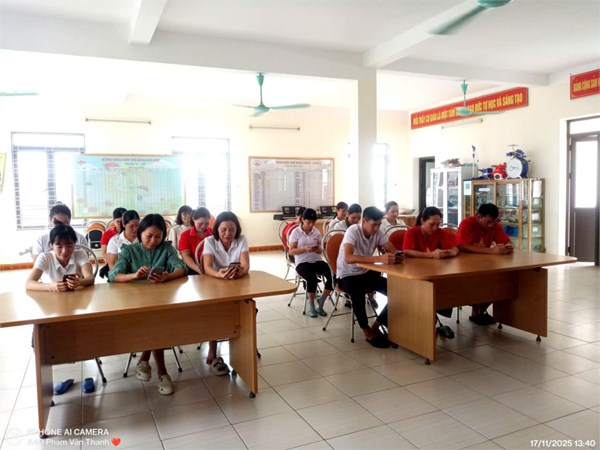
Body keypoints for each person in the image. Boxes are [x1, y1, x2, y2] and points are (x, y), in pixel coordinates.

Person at [108, 213, 187, 395]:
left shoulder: (166, 249)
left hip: (160, 303)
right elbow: (113, 276)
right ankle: (162, 372)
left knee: (156, 321)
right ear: (140, 233)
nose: (153, 241)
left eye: (158, 236)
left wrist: (167, 276)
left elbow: (181, 268)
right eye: (149, 236)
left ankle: (144, 359)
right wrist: (134, 275)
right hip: (134, 305)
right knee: (155, 323)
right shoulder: (129, 251)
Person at [336, 206, 404, 348]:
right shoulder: (353, 231)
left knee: (398, 293)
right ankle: (366, 330)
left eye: (379, 224)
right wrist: (378, 258)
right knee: (358, 292)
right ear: (364, 222)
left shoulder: (377, 232)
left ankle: (376, 325)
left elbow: (392, 248)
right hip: (347, 275)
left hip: (365, 272)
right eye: (374, 225)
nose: (377, 228)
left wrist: (397, 255)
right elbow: (348, 258)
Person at [202, 211, 250, 376]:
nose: (228, 233)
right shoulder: (209, 241)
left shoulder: (241, 239)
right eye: (223, 230)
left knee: (247, 309)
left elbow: (245, 265)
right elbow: (207, 267)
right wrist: (219, 274)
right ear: (217, 229)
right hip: (215, 284)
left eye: (232, 229)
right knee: (214, 312)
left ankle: (241, 348)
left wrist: (240, 272)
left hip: (237, 283)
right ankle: (212, 347)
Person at [402, 206, 459, 337]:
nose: (435, 228)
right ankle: (426, 321)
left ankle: (432, 317)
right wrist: (431, 255)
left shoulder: (439, 232)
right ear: (422, 221)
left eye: (438, 224)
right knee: (429, 290)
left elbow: (455, 247)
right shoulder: (412, 232)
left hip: (434, 271)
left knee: (450, 284)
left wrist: (452, 252)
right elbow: (407, 251)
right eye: (432, 224)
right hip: (415, 273)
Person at [456, 203, 513, 326]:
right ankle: (477, 311)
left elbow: (506, 241)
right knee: (479, 283)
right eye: (488, 222)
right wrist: (491, 251)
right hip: (465, 264)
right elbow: (463, 246)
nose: (491, 225)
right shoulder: (467, 223)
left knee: (501, 282)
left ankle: (479, 312)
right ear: (479, 217)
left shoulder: (494, 225)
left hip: (485, 263)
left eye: (494, 222)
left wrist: (507, 247)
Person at [288, 208, 333, 317]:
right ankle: (311, 305)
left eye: (313, 222)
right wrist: (304, 249)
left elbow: (321, 249)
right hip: (302, 262)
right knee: (311, 278)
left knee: (333, 275)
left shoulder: (316, 231)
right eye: (309, 222)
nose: (311, 225)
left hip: (316, 260)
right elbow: (291, 251)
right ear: (303, 219)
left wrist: (319, 249)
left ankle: (321, 301)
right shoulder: (296, 232)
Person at [26, 222, 95, 291]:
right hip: (51, 296)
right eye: (59, 247)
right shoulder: (44, 257)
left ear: (74, 244)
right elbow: (29, 283)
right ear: (52, 245)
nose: (64, 251)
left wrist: (80, 282)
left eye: (69, 246)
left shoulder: (80, 254)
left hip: (77, 295)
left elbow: (90, 278)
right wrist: (50, 287)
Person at [179, 207, 212, 275]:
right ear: (194, 219)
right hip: (194, 267)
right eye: (200, 223)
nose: (203, 226)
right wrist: (198, 269)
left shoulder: (212, 233)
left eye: (206, 223)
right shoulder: (185, 235)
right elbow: (186, 256)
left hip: (211, 265)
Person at [99, 207, 127, 278]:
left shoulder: (133, 233)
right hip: (113, 264)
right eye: (118, 222)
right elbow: (104, 252)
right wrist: (113, 262)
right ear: (113, 221)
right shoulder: (107, 234)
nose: (120, 224)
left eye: (123, 221)